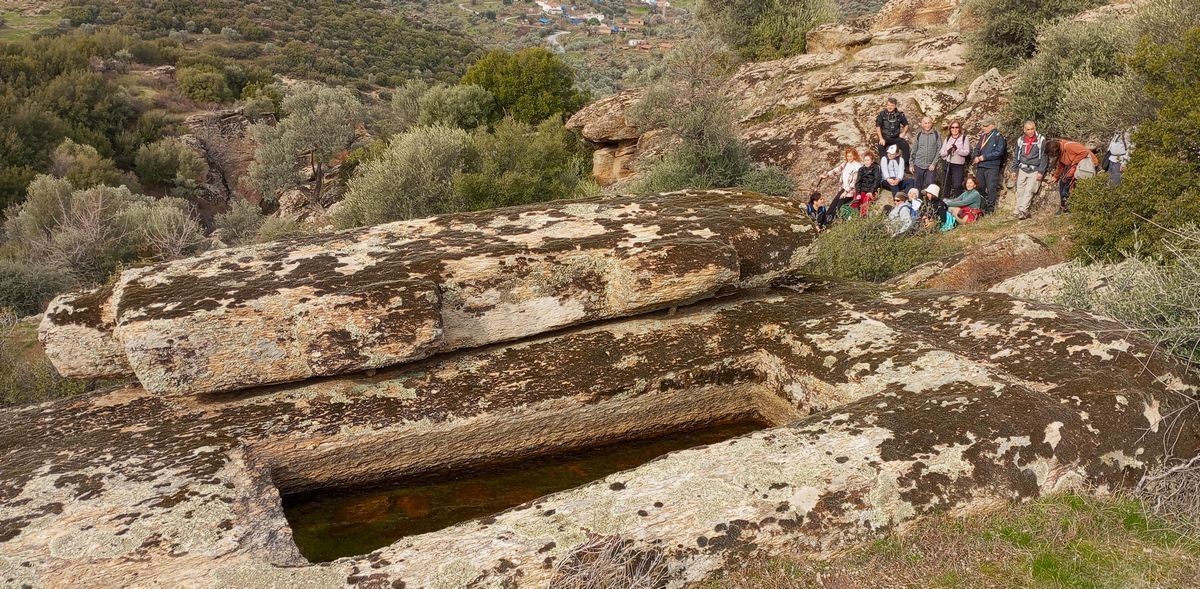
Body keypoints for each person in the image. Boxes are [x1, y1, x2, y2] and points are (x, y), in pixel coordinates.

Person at [1047, 139, 1098, 214]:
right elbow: (1062, 163)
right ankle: (1064, 207)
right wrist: (1056, 176)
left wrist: (1074, 162)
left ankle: (1071, 208)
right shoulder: (1060, 150)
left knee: (1071, 185)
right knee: (1062, 183)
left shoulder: (1069, 146)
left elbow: (1084, 152)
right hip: (1076, 167)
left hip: (1087, 166)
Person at [1009, 120, 1047, 220]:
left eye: (1032, 129)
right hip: (1022, 168)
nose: (1030, 131)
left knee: (1029, 190)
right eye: (1028, 129)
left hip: (1034, 169)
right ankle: (1017, 209)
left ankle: (1023, 210)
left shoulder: (1041, 140)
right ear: (1024, 130)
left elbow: (1044, 156)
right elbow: (1016, 155)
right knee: (1020, 190)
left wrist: (1041, 171)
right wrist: (1014, 170)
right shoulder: (1020, 140)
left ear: (1035, 129)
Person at [971, 118, 1006, 215]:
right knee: (979, 187)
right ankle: (981, 207)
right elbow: (977, 148)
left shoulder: (998, 136)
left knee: (991, 188)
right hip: (981, 166)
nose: (983, 128)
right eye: (982, 126)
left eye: (985, 126)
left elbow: (999, 152)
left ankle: (990, 209)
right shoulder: (983, 136)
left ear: (992, 126)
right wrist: (975, 156)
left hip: (992, 166)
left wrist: (984, 157)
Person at [939, 119, 971, 198]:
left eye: (956, 127)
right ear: (950, 129)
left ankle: (958, 202)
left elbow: (967, 152)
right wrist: (948, 151)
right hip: (947, 163)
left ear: (959, 128)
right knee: (946, 184)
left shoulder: (964, 138)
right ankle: (945, 201)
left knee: (957, 185)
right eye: (952, 127)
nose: (954, 129)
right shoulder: (948, 138)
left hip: (958, 165)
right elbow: (941, 152)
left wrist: (957, 149)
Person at [875, 97, 911, 164]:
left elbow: (906, 125)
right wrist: (881, 138)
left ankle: (906, 165)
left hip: (896, 137)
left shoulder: (899, 114)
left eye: (892, 105)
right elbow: (878, 126)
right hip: (886, 137)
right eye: (888, 105)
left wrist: (903, 133)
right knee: (880, 146)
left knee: (905, 145)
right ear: (886, 105)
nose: (890, 107)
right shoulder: (882, 114)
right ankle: (885, 164)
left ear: (895, 106)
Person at [911, 116, 941, 190]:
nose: (927, 125)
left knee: (930, 187)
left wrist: (934, 163)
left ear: (931, 124)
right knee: (917, 187)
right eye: (925, 123)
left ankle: (928, 201)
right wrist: (911, 164)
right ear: (922, 124)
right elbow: (914, 150)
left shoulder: (937, 134)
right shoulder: (919, 135)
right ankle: (918, 201)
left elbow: (939, 149)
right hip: (918, 164)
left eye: (929, 123)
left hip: (930, 166)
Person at [849, 151, 881, 217]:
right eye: (865, 160)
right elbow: (858, 182)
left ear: (872, 161)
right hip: (862, 190)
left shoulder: (875, 168)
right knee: (857, 200)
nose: (866, 162)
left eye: (868, 160)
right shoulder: (861, 169)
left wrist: (871, 191)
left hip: (870, 190)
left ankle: (863, 217)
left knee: (866, 201)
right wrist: (858, 193)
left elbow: (876, 180)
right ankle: (853, 217)